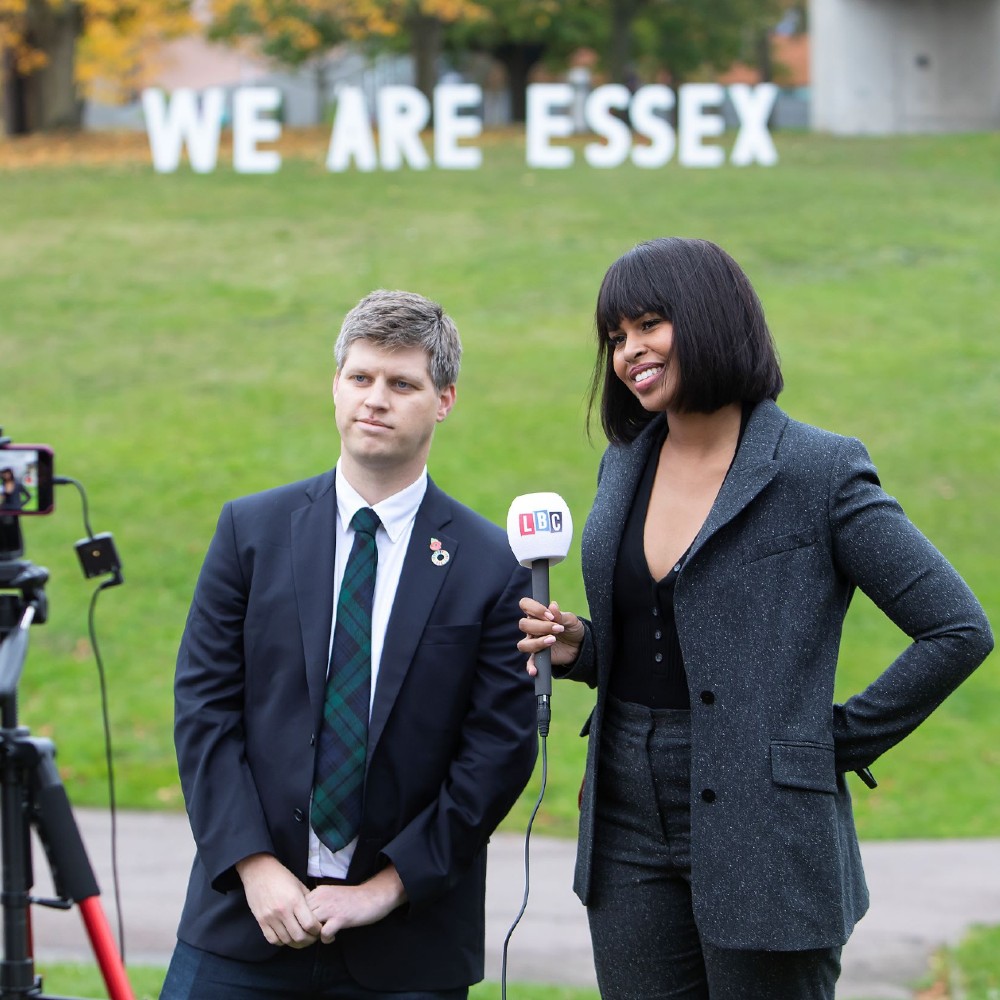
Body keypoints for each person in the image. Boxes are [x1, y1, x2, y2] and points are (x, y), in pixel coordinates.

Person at [517, 238, 994, 1000]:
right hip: (627, 816)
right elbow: (677, 639)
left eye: (649, 324)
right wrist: (582, 649)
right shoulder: (623, 464)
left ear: (708, 319)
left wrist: (828, 742)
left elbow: (957, 628)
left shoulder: (819, 471)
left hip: (766, 827)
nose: (629, 351)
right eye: (615, 336)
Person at [162, 289, 537, 999]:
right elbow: (204, 710)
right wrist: (252, 866)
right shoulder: (250, 532)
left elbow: (498, 750)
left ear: (445, 400)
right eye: (360, 378)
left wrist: (384, 889)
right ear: (334, 385)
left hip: (408, 941)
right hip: (244, 924)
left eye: (403, 384)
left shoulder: (493, 565)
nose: (376, 399)